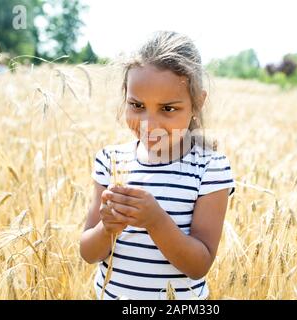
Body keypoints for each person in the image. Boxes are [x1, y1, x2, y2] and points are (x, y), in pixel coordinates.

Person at [80, 30, 235, 300]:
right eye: (137, 105)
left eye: (168, 109)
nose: (148, 124)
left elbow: (199, 266)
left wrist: (155, 220)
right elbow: (88, 252)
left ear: (197, 103)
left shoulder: (209, 168)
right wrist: (107, 228)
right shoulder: (111, 161)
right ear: (125, 97)